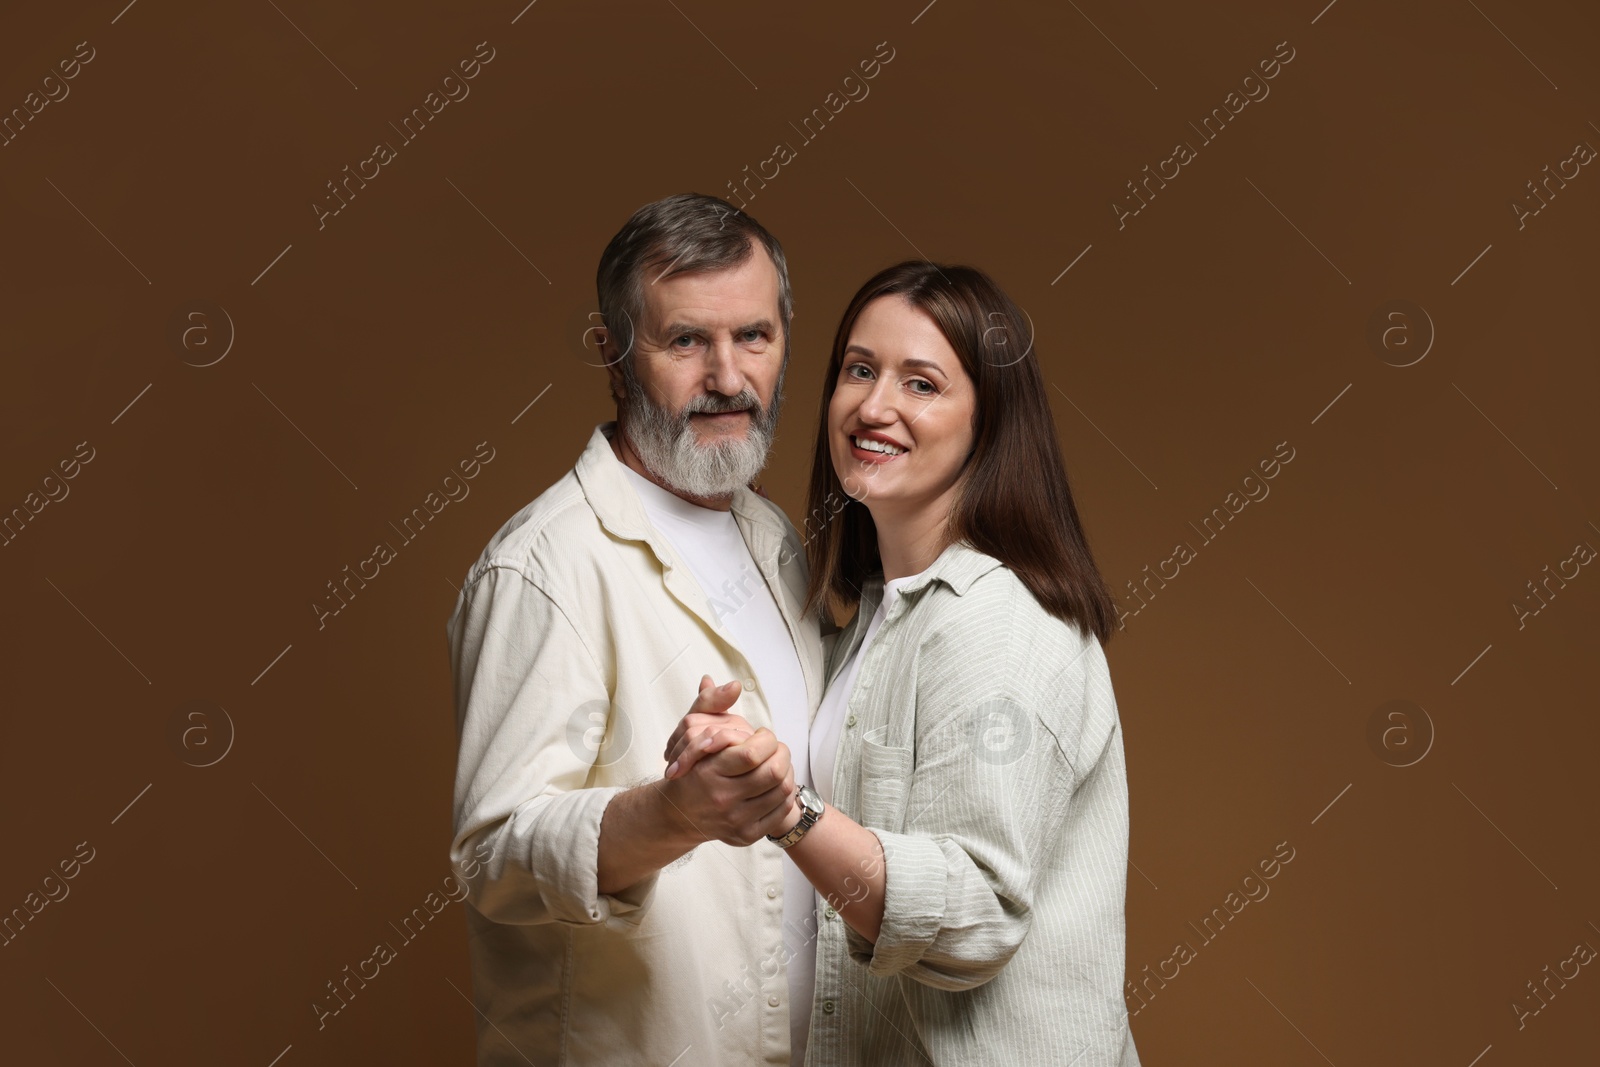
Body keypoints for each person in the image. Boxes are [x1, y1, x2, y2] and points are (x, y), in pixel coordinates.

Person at [666, 261, 1141, 1065]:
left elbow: (977, 913)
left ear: (988, 423)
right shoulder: (875, 621)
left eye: (921, 383)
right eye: (859, 369)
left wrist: (789, 810)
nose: (873, 405)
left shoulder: (1000, 618)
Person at [446, 192, 836, 1066]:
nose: (729, 379)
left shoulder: (774, 538)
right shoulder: (543, 567)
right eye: (687, 340)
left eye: (755, 338)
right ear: (613, 354)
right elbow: (493, 858)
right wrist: (672, 814)